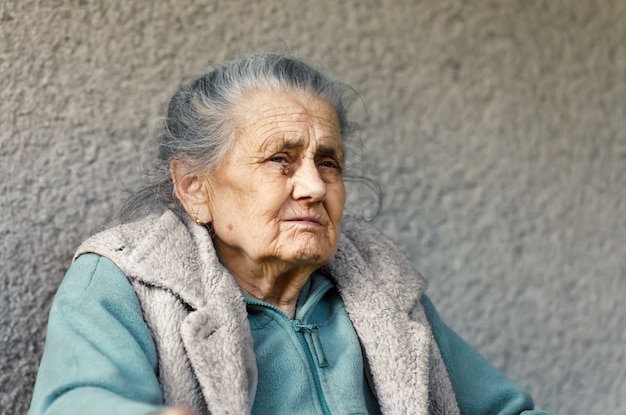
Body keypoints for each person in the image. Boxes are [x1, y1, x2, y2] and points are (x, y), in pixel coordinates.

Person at [29, 52, 551, 415]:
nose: (313, 186)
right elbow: (80, 402)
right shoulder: (125, 278)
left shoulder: (377, 283)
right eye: (280, 159)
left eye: (329, 163)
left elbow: (499, 410)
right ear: (195, 188)